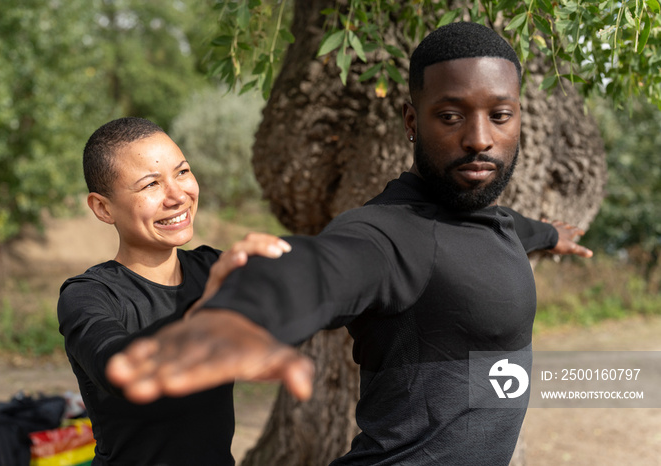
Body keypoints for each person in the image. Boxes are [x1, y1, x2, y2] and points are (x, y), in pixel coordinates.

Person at [107, 23, 594, 465]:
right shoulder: (390, 235)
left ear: (519, 120)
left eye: (500, 114)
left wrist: (553, 235)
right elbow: (323, 267)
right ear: (411, 121)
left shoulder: (492, 220)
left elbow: (512, 227)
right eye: (450, 116)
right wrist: (243, 312)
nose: (479, 139)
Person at [57, 117, 292, 465]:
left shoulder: (215, 269)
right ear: (103, 208)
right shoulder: (89, 296)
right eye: (151, 184)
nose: (178, 195)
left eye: (182, 172)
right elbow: (121, 368)